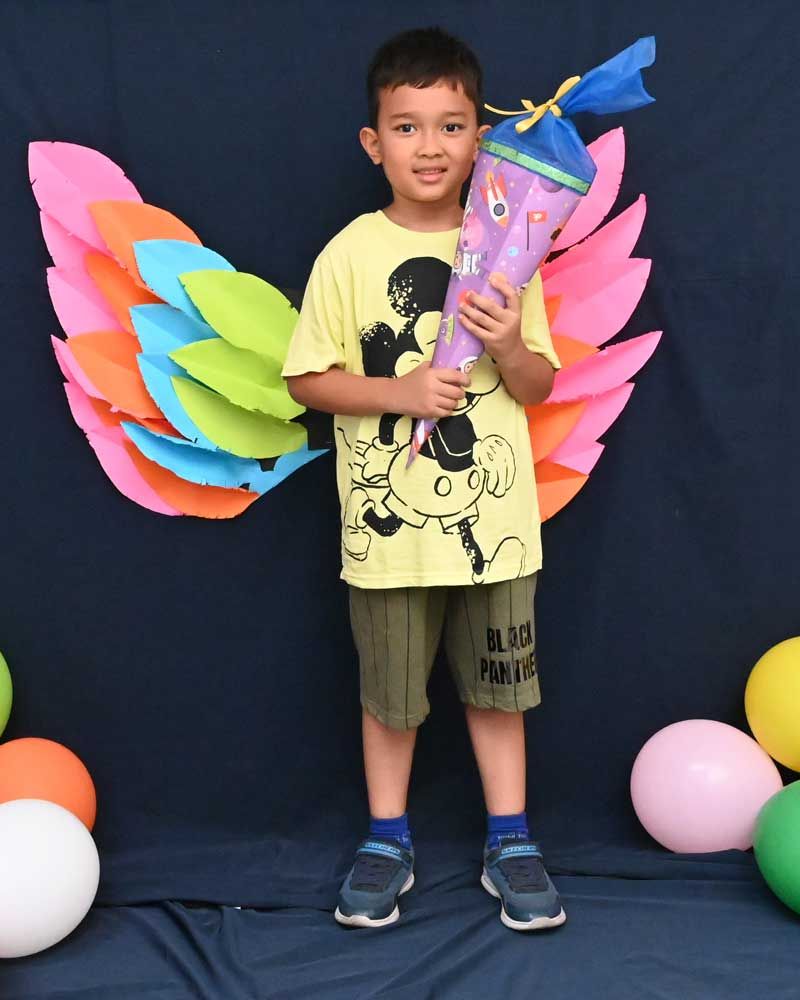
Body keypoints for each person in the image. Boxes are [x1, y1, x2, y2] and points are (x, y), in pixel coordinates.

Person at [281, 25, 565, 932]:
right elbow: (306, 380)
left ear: (480, 135)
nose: (431, 146)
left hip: (498, 534)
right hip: (386, 539)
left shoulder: (512, 251)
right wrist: (399, 390)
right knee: (392, 699)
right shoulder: (348, 254)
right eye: (407, 127)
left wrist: (511, 341)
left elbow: (538, 386)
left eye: (450, 125)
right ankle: (388, 838)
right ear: (374, 143)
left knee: (498, 691)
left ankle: (511, 840)